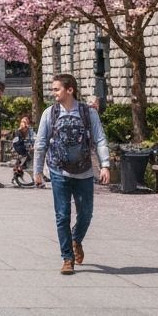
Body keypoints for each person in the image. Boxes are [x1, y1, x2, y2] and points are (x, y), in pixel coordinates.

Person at [34, 73, 111, 275]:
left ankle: (76, 239)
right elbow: (41, 143)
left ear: (70, 90)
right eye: (53, 89)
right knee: (62, 216)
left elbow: (100, 140)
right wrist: (37, 170)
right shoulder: (49, 114)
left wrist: (105, 165)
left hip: (84, 171)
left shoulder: (88, 113)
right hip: (58, 170)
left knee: (86, 213)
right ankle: (67, 258)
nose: (54, 93)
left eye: (57, 89)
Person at [11, 114, 34, 185]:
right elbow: (15, 143)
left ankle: (18, 173)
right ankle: (17, 173)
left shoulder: (30, 131)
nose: (23, 123)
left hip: (26, 151)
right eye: (22, 121)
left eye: (25, 121)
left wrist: (32, 145)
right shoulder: (18, 132)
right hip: (19, 151)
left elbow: (33, 138)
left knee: (26, 161)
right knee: (23, 160)